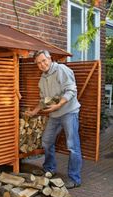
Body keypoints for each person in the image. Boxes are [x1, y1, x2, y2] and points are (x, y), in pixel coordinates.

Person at [26, 50, 82, 189]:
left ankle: (74, 179)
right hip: (54, 115)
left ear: (50, 58)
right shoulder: (42, 79)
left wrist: (58, 105)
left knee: (73, 146)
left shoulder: (61, 69)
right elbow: (43, 101)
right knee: (46, 141)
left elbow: (71, 90)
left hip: (69, 112)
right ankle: (49, 169)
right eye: (39, 63)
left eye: (44, 60)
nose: (42, 64)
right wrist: (34, 111)